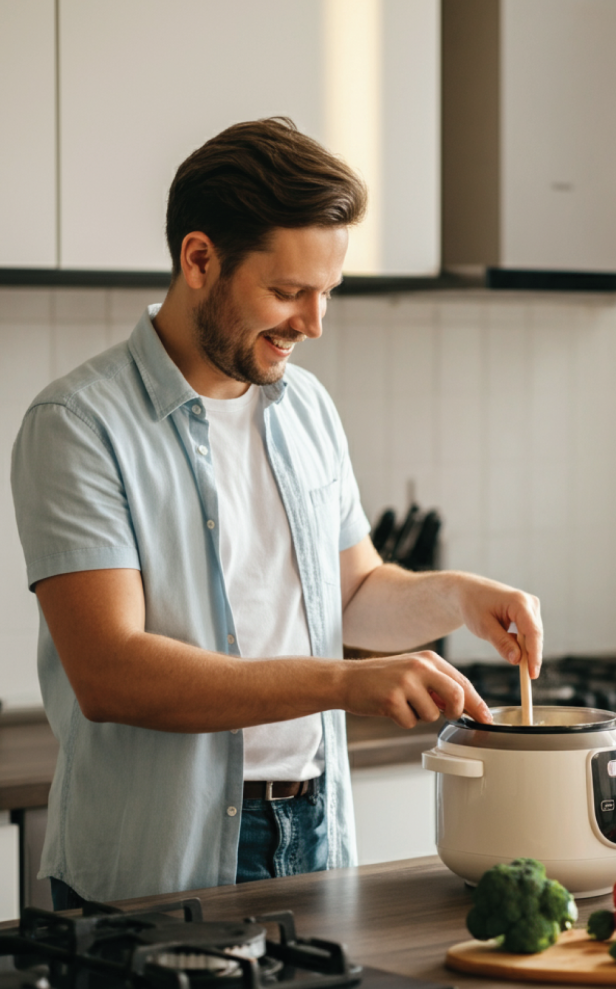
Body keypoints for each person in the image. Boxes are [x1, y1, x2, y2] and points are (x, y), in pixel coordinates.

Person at [10, 117, 543, 909]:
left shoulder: (304, 406)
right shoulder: (79, 424)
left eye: (327, 293)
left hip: (316, 837)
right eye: (289, 292)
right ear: (200, 259)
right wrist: (342, 683)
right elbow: (111, 673)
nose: (314, 323)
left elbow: (355, 593)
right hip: (157, 868)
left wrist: (459, 597)